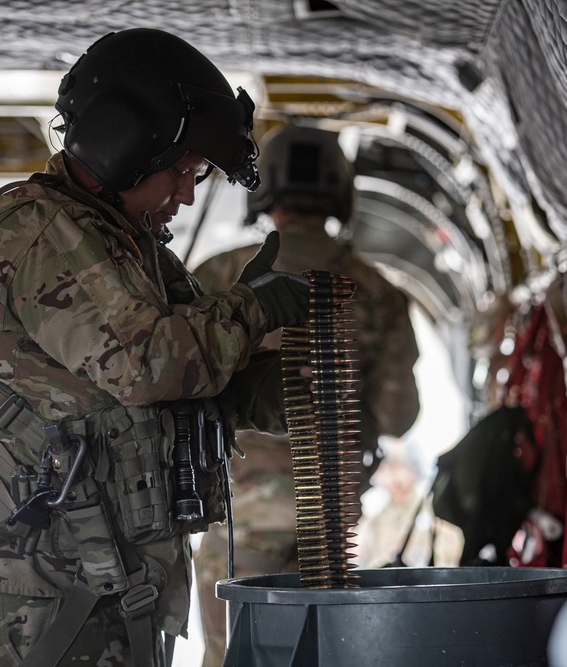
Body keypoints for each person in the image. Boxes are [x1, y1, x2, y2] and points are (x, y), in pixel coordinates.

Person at [0, 28, 313, 667]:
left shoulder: (124, 248)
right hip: (26, 606)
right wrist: (256, 306)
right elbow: (147, 366)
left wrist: (285, 390)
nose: (186, 193)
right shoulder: (39, 230)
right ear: (124, 144)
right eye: (181, 171)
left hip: (99, 583)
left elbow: (180, 385)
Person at [190, 124, 422, 666]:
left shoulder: (221, 276)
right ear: (340, 191)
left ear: (264, 190)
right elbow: (398, 415)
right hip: (329, 523)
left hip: (238, 517)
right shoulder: (377, 291)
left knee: (237, 658)